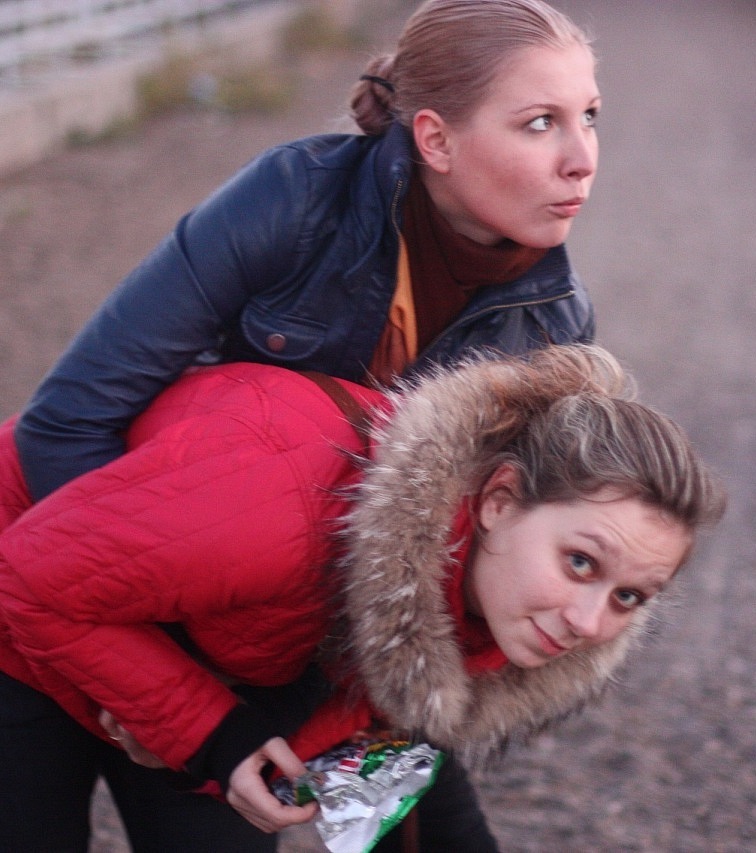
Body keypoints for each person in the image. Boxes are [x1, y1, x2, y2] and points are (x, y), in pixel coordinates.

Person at [7, 0, 602, 847]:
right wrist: (166, 673)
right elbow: (69, 420)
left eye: (590, 116)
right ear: (435, 139)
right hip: (67, 571)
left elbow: (470, 560)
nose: (583, 157)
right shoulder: (295, 201)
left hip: (263, 639)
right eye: (541, 123)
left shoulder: (554, 327)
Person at [0, 345, 725, 852]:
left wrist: (226, 741)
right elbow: (28, 577)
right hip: (23, 605)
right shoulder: (287, 504)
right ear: (500, 499)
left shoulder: (493, 597)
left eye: (630, 596)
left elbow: (368, 714)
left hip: (178, 642)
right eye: (579, 561)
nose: (589, 621)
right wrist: (211, 733)